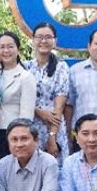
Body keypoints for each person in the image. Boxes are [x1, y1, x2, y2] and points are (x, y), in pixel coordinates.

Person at [25, 23, 70, 157]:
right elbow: (18, 99)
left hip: (53, 128)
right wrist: (39, 111)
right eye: (39, 37)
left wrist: (52, 137)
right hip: (29, 129)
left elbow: (59, 105)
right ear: (33, 40)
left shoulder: (61, 67)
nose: (43, 41)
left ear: (54, 41)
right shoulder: (25, 67)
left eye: (48, 37)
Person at [0, 32, 37, 159]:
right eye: (2, 47)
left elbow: (26, 115)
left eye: (10, 46)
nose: (6, 50)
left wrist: (20, 138)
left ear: (18, 49)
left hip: (13, 134)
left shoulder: (26, 77)